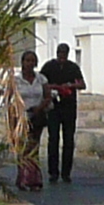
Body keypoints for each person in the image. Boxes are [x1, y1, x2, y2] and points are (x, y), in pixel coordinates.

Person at [38, 42, 85, 184]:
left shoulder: (73, 67)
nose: (62, 56)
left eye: (64, 53)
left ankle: (66, 172)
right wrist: (53, 87)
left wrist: (70, 85)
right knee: (53, 139)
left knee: (69, 140)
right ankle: (53, 172)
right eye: (60, 53)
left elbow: (82, 84)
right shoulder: (49, 66)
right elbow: (40, 82)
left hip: (69, 106)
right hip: (54, 106)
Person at [8, 50, 48, 191]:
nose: (30, 63)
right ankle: (23, 177)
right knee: (23, 147)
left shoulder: (41, 79)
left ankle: (35, 179)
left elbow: (48, 96)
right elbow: (9, 99)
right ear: (22, 62)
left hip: (36, 116)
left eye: (32, 61)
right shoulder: (16, 80)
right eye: (27, 60)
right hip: (21, 117)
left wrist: (40, 107)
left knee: (34, 147)